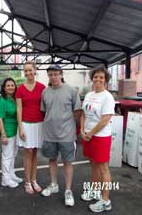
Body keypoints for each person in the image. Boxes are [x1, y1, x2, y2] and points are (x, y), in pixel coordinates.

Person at [40, 64, 81, 207]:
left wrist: (72, 128)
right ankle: (53, 184)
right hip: (50, 134)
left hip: (67, 135)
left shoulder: (71, 91)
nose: (53, 77)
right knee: (52, 160)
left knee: (67, 162)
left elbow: (77, 112)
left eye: (56, 74)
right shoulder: (45, 92)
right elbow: (44, 111)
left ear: (61, 74)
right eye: (50, 75)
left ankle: (68, 191)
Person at [80, 65, 115, 213]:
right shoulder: (89, 95)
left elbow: (104, 120)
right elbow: (83, 114)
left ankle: (106, 200)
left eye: (101, 77)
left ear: (105, 80)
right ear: (92, 79)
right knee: (93, 164)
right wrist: (82, 130)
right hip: (88, 135)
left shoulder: (107, 97)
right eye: (96, 77)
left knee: (103, 168)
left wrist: (91, 133)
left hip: (100, 137)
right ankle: (95, 191)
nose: (98, 79)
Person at [15, 61, 45, 194]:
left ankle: (34, 180)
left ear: (35, 70)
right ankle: (27, 181)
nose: (28, 73)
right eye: (25, 71)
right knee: (27, 153)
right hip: (26, 124)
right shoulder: (20, 88)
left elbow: (46, 106)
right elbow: (19, 109)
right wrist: (20, 127)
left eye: (30, 70)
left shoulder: (42, 87)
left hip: (39, 124)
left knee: (34, 154)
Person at [0, 77, 23, 188]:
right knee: (7, 156)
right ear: (4, 88)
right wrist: (3, 134)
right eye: (8, 85)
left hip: (15, 130)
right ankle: (5, 179)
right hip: (7, 131)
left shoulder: (14, 99)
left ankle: (11, 174)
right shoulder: (2, 101)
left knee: (13, 154)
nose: (11, 87)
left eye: (12, 85)